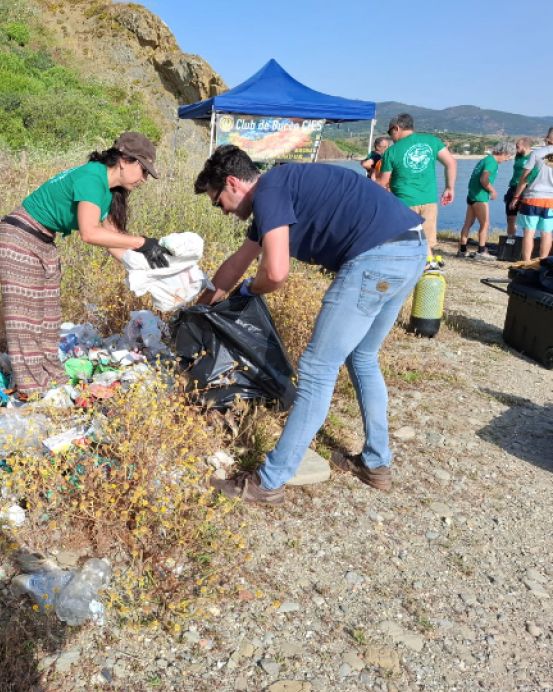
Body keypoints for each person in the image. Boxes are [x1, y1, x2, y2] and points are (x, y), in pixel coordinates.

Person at [196, 145, 427, 506]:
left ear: (232, 183)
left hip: (377, 258)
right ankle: (376, 463)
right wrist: (199, 309)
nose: (223, 211)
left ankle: (268, 483)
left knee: (317, 370)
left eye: (218, 201)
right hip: (412, 249)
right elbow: (238, 261)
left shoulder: (270, 191)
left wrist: (247, 290)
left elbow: (275, 273)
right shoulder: (281, 188)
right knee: (362, 357)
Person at [0, 132, 169, 395]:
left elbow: (112, 241)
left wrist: (147, 270)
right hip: (19, 237)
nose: (144, 179)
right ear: (124, 160)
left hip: (43, 241)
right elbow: (89, 233)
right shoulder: (92, 178)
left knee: (48, 319)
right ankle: (31, 390)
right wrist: (142, 242)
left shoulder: (108, 190)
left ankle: (53, 383)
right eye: (143, 170)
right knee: (26, 320)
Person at [378, 113, 457, 259]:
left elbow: (382, 183)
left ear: (397, 128)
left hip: (404, 202)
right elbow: (451, 163)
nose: (391, 137)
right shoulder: (432, 141)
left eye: (390, 133)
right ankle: (429, 266)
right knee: (425, 242)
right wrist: (449, 188)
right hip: (429, 200)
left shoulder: (392, 151)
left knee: (405, 243)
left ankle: (414, 268)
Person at [457, 141, 516, 260]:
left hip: (472, 195)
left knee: (468, 223)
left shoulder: (485, 159)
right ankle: (481, 251)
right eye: (508, 156)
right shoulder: (492, 162)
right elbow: (484, 179)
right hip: (480, 196)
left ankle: (462, 249)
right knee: (485, 224)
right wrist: (493, 190)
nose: (507, 160)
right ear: (503, 153)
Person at [512, 128, 553, 261]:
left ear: (547, 138)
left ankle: (527, 262)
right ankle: (543, 262)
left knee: (529, 232)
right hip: (551, 201)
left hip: (532, 198)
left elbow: (524, 178)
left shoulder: (537, 153)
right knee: (546, 233)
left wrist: (516, 197)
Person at [504, 138, 535, 239]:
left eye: (518, 147)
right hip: (513, 188)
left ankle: (527, 241)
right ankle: (510, 240)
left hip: (526, 189)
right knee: (510, 218)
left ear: (525, 147)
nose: (516, 149)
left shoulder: (533, 157)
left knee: (526, 219)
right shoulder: (518, 156)